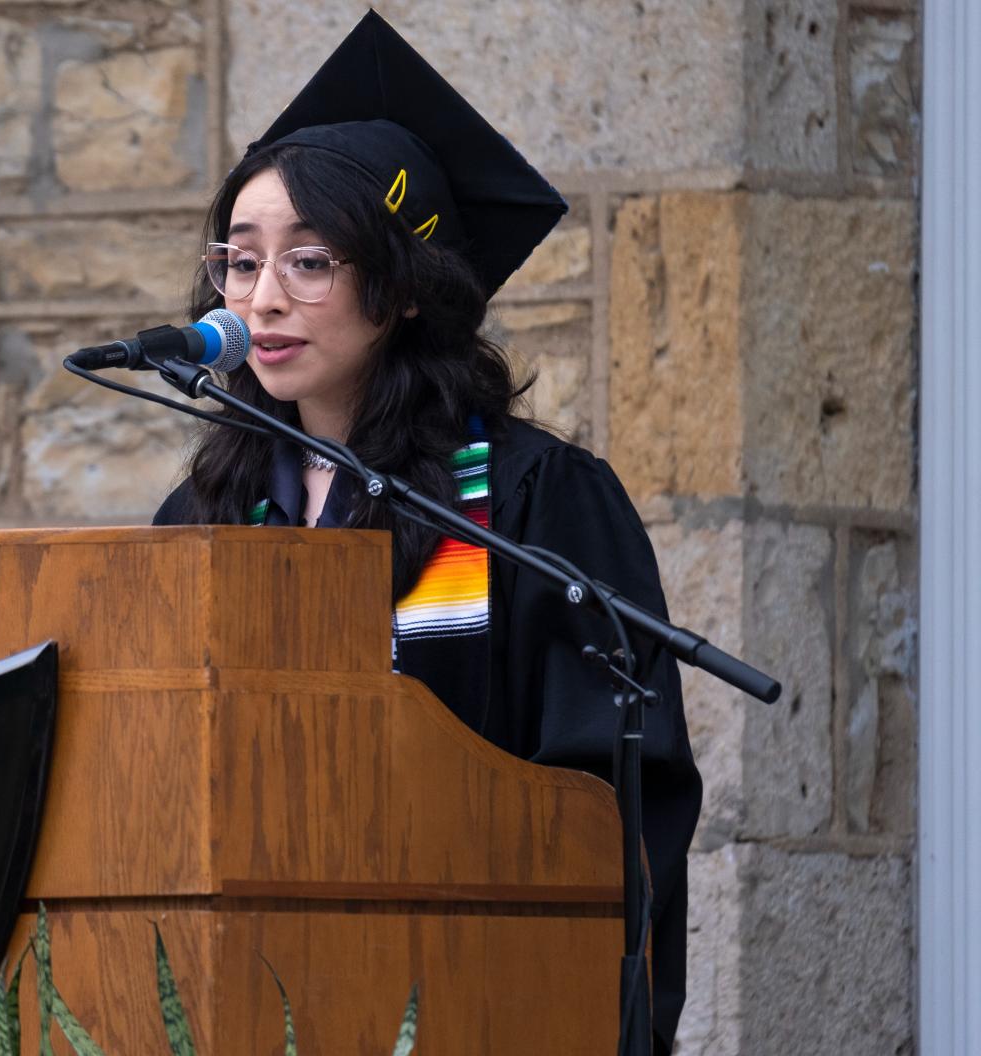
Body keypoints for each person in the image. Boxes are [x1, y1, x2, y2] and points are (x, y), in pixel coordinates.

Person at [151, 13, 701, 1053]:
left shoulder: (534, 503)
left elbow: (607, 809)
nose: (261, 298)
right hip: (249, 1001)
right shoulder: (205, 516)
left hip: (477, 1004)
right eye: (240, 260)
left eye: (310, 262)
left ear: (402, 289)